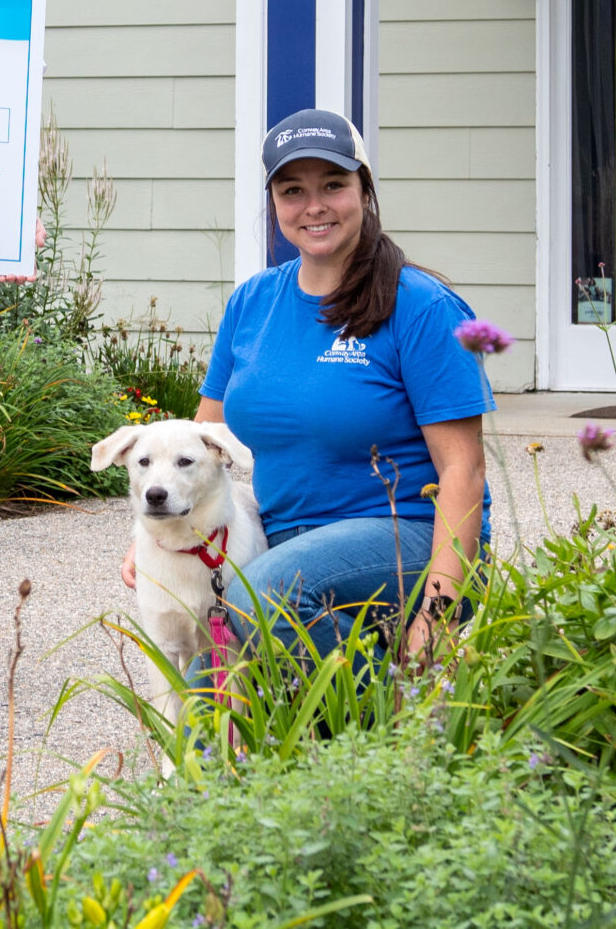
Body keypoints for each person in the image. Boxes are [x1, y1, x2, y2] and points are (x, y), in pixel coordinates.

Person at [123, 108, 492, 664]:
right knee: (201, 702)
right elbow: (198, 440)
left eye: (334, 185)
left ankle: (385, 723)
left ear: (364, 192)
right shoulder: (251, 303)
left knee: (261, 596)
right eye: (293, 189)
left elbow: (464, 471)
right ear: (273, 202)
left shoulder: (421, 307)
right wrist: (162, 530)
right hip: (279, 541)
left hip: (403, 538)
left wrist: (435, 620)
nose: (314, 206)